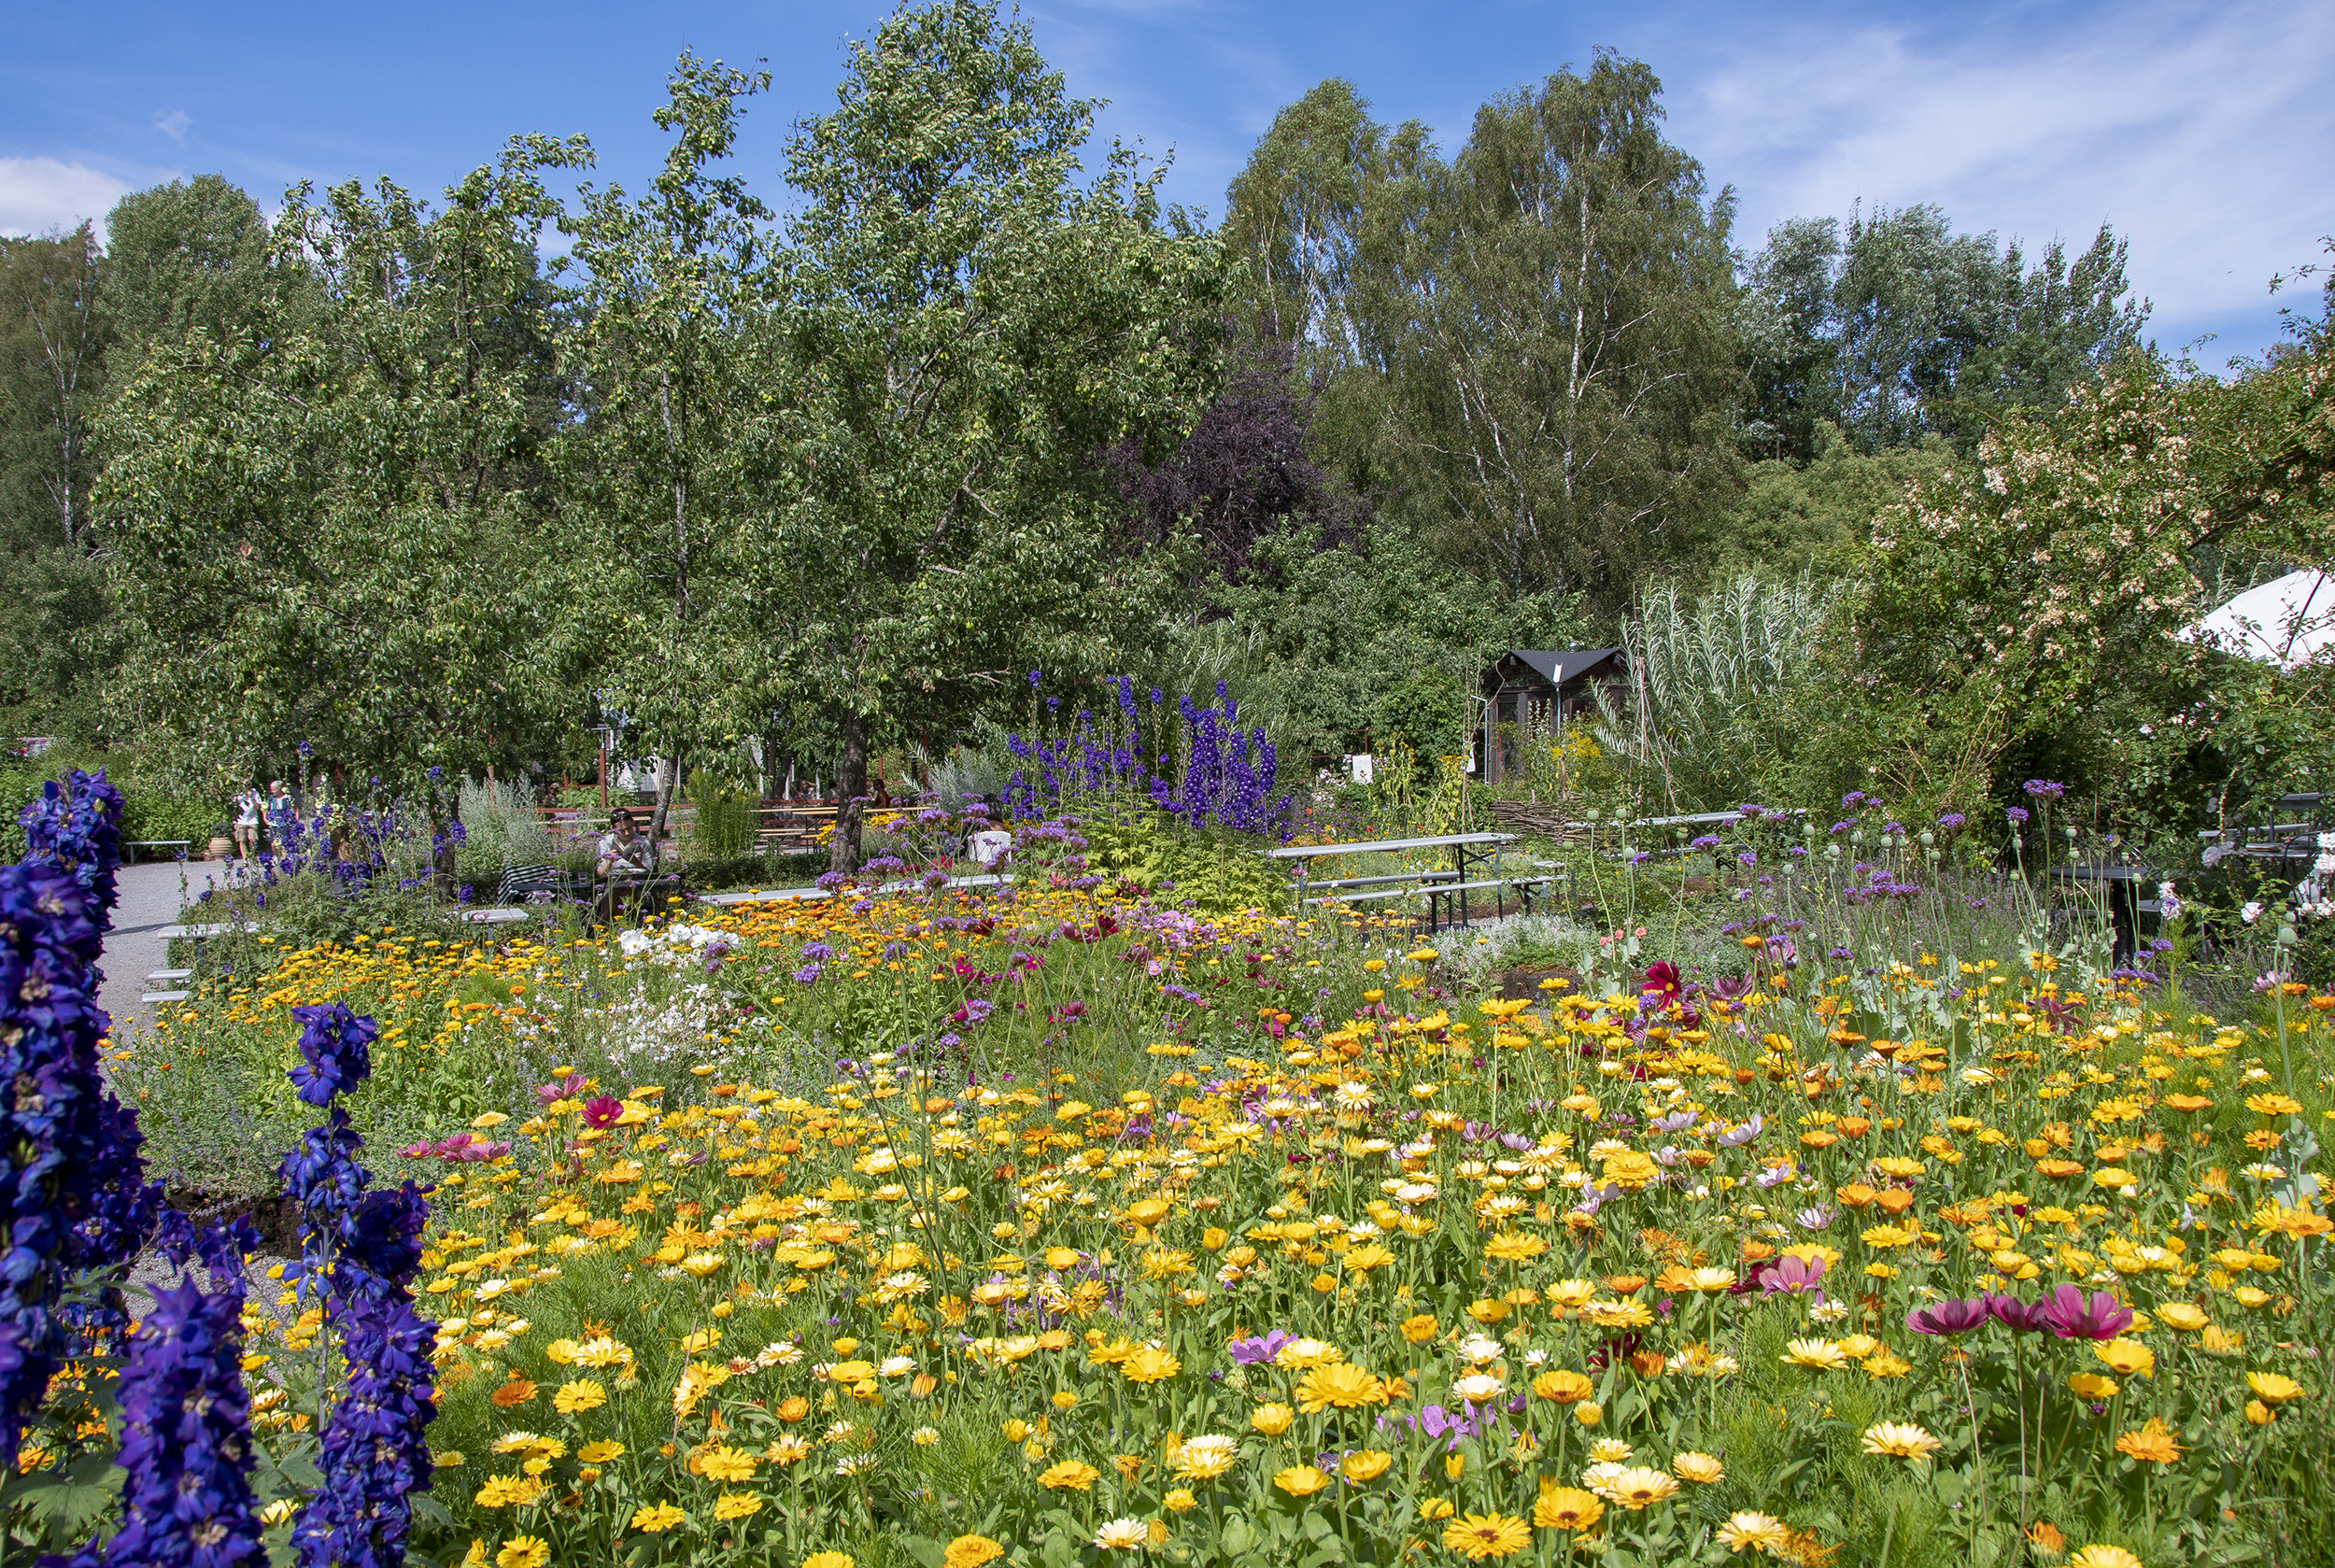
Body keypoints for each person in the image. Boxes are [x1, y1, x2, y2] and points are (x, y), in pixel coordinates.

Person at [595, 808, 657, 922]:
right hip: (612, 883)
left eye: (629, 828)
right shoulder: (605, 842)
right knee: (618, 888)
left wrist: (634, 862)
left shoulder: (643, 842)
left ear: (633, 822)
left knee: (625, 887)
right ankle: (615, 925)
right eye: (622, 830)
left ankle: (602, 924)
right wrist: (610, 861)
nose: (627, 833)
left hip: (636, 884)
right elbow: (601, 875)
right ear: (614, 829)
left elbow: (650, 874)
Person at [232, 784, 263, 862]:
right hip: (241, 820)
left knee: (253, 840)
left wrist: (251, 797)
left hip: (252, 821)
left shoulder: (255, 793)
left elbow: (257, 807)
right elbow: (233, 808)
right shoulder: (237, 793)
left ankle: (252, 856)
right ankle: (245, 860)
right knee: (242, 840)